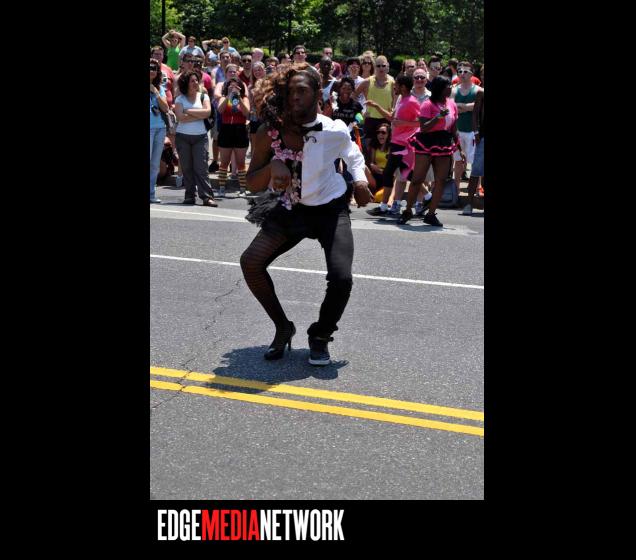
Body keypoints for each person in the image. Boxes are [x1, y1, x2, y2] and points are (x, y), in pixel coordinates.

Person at [242, 63, 373, 366]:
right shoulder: (268, 132)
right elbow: (251, 183)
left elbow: (352, 154)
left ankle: (321, 335)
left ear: (318, 95)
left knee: (341, 278)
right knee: (250, 262)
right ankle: (283, 327)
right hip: (292, 207)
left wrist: (360, 181)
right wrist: (273, 166)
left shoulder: (333, 129)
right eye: (290, 92)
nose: (295, 97)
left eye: (302, 91)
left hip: (330, 209)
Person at [397, 75, 465, 226]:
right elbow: (424, 127)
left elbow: (454, 129)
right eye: (448, 86)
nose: (450, 88)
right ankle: (407, 211)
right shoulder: (427, 104)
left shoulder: (452, 104)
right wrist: (438, 117)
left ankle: (431, 214)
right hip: (427, 141)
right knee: (417, 179)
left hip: (444, 141)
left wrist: (459, 148)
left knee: (441, 180)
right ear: (440, 88)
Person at [366, 74, 422, 216]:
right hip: (396, 142)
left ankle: (384, 207)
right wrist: (376, 106)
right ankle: (427, 197)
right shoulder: (401, 99)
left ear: (403, 87)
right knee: (406, 173)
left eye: (396, 84)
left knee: (389, 172)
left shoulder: (412, 102)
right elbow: (392, 118)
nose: (394, 87)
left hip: (404, 144)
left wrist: (403, 123)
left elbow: (421, 122)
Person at [174, 70, 218, 206]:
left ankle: (207, 197)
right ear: (185, 83)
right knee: (187, 168)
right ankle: (189, 196)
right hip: (183, 137)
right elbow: (180, 118)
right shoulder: (180, 99)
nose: (195, 83)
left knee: (201, 168)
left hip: (200, 137)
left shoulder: (203, 97)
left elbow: (207, 112)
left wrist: (187, 111)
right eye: (192, 81)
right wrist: (198, 114)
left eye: (196, 80)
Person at [451, 61, 483, 201]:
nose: (462, 74)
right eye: (459, 71)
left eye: (465, 71)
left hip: (472, 132)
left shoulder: (478, 90)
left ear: (471, 73)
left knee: (475, 162)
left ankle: (477, 188)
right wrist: (468, 107)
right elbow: (451, 107)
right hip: (458, 131)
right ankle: (456, 188)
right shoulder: (454, 90)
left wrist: (461, 106)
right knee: (458, 161)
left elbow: (478, 107)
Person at [216, 77, 251, 197]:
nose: (234, 88)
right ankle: (221, 188)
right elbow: (220, 110)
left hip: (240, 129)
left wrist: (239, 97)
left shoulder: (244, 98)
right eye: (231, 86)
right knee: (224, 162)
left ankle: (242, 189)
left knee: (241, 162)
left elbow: (246, 112)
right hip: (226, 129)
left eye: (236, 86)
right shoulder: (223, 98)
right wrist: (228, 96)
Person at [355, 55, 395, 149]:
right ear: (375, 67)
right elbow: (353, 96)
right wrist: (360, 113)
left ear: (387, 66)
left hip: (386, 121)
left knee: (384, 151)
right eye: (378, 66)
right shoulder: (367, 81)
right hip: (370, 120)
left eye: (383, 65)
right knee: (368, 151)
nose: (381, 68)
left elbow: (396, 102)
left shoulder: (393, 83)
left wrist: (393, 111)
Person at [463, 64, 485, 215]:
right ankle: (469, 203)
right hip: (482, 136)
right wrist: (476, 132)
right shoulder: (481, 92)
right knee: (476, 170)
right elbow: (475, 114)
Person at [150, 59, 169, 204]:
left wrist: (156, 92)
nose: (152, 70)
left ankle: (151, 193)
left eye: (155, 68)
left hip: (160, 128)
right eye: (150, 67)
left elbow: (165, 108)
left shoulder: (159, 88)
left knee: (155, 164)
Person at [364, 123, 391, 194]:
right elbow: (371, 162)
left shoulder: (391, 148)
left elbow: (394, 169)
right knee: (363, 168)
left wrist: (382, 171)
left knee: (379, 195)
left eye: (383, 132)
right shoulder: (375, 146)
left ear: (388, 135)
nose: (380, 134)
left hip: (387, 176)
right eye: (378, 132)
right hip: (375, 175)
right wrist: (372, 165)